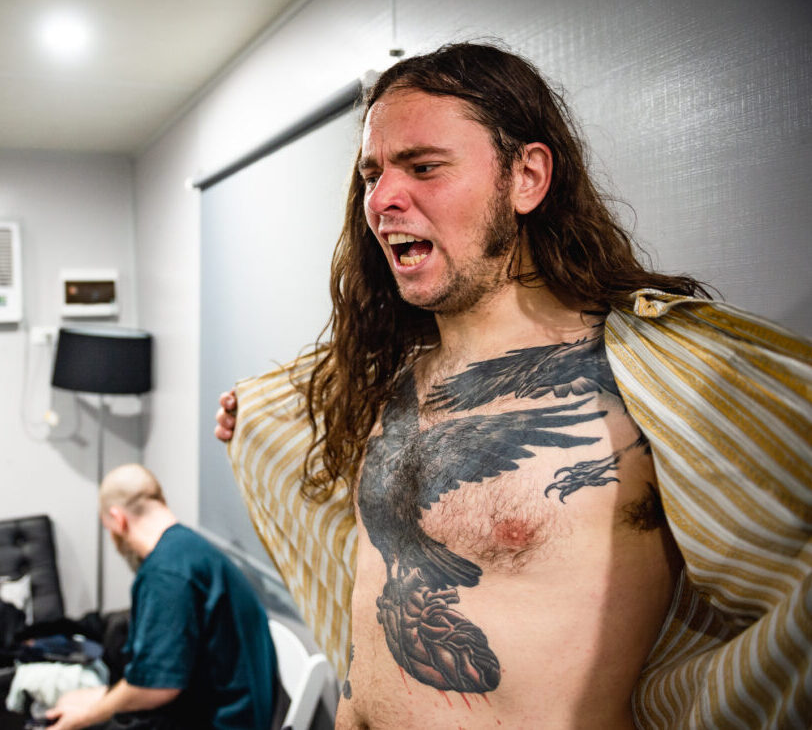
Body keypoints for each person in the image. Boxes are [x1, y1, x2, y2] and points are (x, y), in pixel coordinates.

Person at [216, 43, 811, 728]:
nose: (381, 199)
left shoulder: (651, 385)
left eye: (424, 166)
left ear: (526, 177)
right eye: (372, 173)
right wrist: (254, 414)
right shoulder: (384, 384)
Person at [46, 464, 276, 730]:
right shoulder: (189, 548)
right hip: (228, 709)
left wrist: (85, 717)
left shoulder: (165, 574)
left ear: (118, 519)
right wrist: (99, 698)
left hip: (219, 722)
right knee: (76, 701)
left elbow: (156, 687)